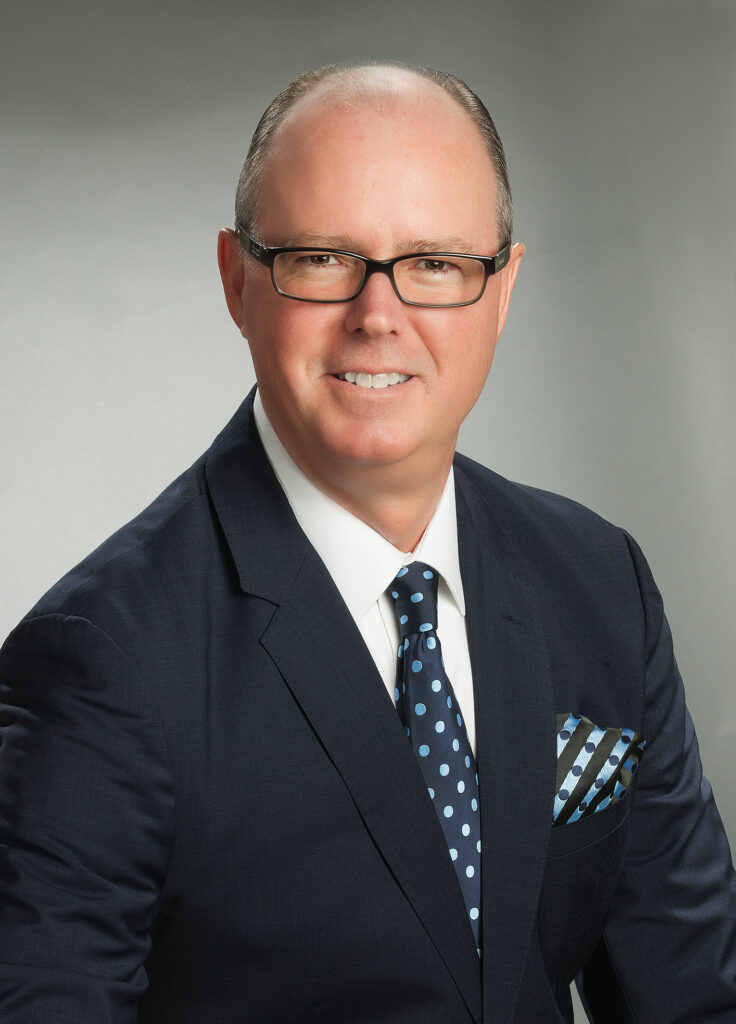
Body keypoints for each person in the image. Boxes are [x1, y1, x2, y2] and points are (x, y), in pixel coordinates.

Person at [0, 61, 734, 1024]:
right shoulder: (104, 661)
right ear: (237, 280)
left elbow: (695, 999)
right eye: (322, 258)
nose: (378, 316)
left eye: (435, 264)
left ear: (503, 289)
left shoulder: (598, 583)